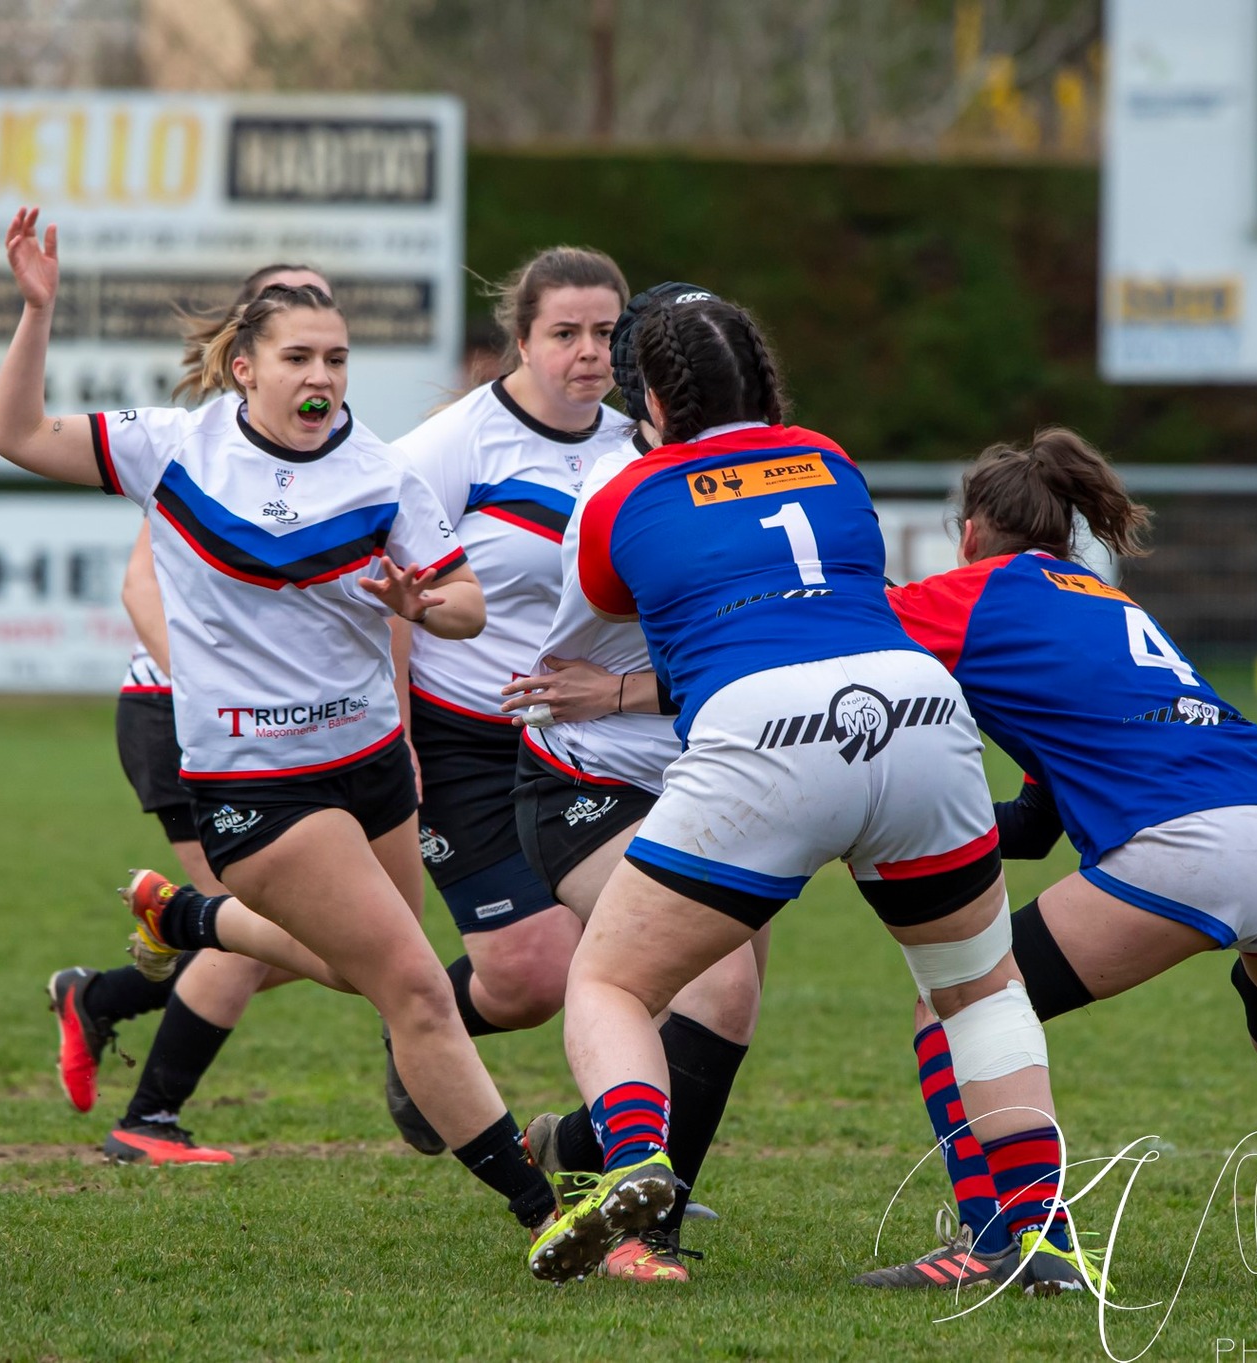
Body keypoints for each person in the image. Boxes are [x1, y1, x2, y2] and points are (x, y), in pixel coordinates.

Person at [0, 209, 560, 1242]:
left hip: (374, 765)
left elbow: (465, 600)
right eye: (298, 355)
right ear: (242, 367)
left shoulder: (381, 473)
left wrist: (425, 606)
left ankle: (184, 920)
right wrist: (36, 315)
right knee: (419, 991)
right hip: (259, 782)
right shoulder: (177, 450)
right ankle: (546, 1212)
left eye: (337, 358)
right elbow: (16, 436)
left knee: (365, 970)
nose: (322, 375)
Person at [857, 429, 1257, 1293]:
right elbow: (1033, 821)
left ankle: (1006, 1242)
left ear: (972, 531)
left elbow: (838, 638)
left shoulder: (976, 593)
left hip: (1198, 843)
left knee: (957, 1004)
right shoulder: (1100, 600)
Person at [528, 296, 1067, 1288]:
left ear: (651, 395)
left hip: (762, 730)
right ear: (765, 379)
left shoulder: (618, 493)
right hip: (914, 710)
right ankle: (1039, 1240)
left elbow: (607, 605)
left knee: (611, 984)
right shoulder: (827, 457)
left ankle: (640, 1160)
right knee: (978, 992)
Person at [498, 281, 770, 1282]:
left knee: (713, 1009)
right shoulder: (626, 493)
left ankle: (577, 1152)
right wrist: (617, 693)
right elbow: (722, 651)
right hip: (588, 782)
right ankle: (633, 1230)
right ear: (653, 392)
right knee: (715, 980)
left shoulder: (768, 472)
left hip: (726, 775)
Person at [48, 264, 331, 1167]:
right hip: (181, 715)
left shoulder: (325, 456)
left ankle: (109, 995)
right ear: (247, 348)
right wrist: (212, 689)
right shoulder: (196, 450)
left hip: (281, 726)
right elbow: (140, 582)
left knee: (324, 932)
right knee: (274, 929)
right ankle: (147, 1117)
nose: (318, 362)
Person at [380, 246, 633, 1153]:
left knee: (660, 950)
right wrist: (397, 734)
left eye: (606, 332)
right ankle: (424, 1030)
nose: (589, 352)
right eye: (565, 332)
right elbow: (391, 585)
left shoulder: (640, 445)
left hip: (595, 742)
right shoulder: (453, 443)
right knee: (530, 977)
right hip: (464, 740)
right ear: (521, 341)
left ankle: (633, 1154)